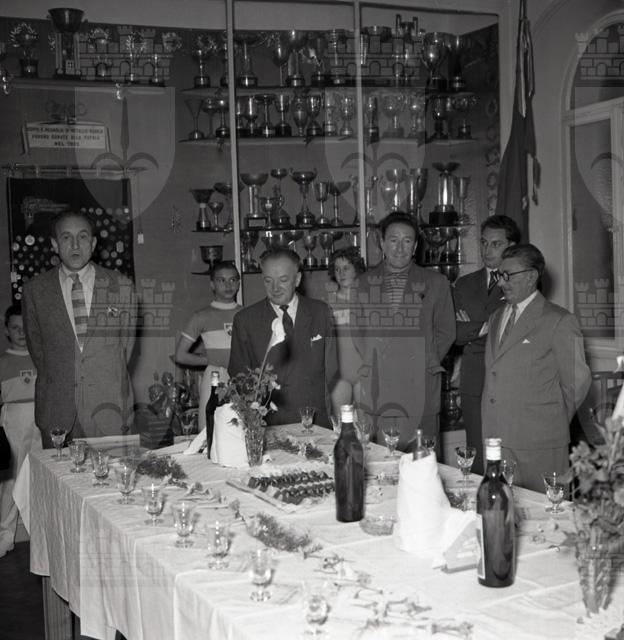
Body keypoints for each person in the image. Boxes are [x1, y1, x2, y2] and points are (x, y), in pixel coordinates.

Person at [481, 243, 591, 492]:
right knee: (501, 508)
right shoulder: (496, 317)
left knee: (547, 511)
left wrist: (551, 420)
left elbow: (578, 381)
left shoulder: (560, 320)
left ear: (531, 276)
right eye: (499, 275)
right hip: (496, 438)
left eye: (508, 275)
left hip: (539, 442)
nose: (501, 282)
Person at [23, 210, 137, 446]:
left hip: (110, 410)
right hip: (57, 411)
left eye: (83, 237)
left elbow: (125, 347)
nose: (75, 244)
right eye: (66, 237)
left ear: (93, 244)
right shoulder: (35, 291)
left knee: (114, 470)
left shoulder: (122, 286)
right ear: (55, 244)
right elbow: (38, 351)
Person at [354, 212, 456, 450]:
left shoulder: (436, 282)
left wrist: (423, 361)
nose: (400, 248)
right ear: (382, 243)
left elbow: (447, 332)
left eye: (407, 241)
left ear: (416, 246)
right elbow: (358, 333)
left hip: (421, 387)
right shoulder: (364, 283)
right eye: (393, 240)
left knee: (423, 463)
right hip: (380, 389)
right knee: (384, 462)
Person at [228, 247, 338, 427]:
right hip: (269, 425)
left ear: (298, 279)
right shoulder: (245, 320)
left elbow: (332, 369)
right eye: (268, 281)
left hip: (315, 420)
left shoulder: (321, 312)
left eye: (283, 280)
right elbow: (239, 377)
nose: (275, 288)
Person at [453, 215, 521, 473]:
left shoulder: (522, 282)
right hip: (474, 380)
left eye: (496, 244)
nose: (487, 250)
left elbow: (514, 330)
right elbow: (454, 332)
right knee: (477, 453)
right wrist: (489, 325)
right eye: (483, 242)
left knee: (509, 454)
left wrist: (474, 326)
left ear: (511, 246)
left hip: (509, 379)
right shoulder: (464, 284)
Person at [174, 261, 241, 430]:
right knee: (209, 429)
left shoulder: (246, 314)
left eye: (233, 280)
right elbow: (180, 355)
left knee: (240, 428)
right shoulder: (201, 316)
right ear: (212, 285)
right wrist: (210, 360)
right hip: (214, 378)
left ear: (238, 283)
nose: (228, 285)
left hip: (241, 377)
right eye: (221, 280)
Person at [0, 304, 41, 558]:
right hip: (13, 420)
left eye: (25, 328)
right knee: (12, 479)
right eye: (15, 328)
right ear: (7, 330)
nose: (21, 333)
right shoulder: (2, 362)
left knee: (39, 476)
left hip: (40, 419)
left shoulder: (41, 358)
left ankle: (40, 533)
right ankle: (5, 534)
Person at [326, 247, 366, 410]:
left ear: (356, 269)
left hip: (364, 373)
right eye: (337, 269)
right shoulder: (328, 304)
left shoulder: (367, 301)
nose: (341, 273)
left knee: (366, 422)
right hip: (339, 377)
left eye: (346, 268)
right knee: (340, 423)